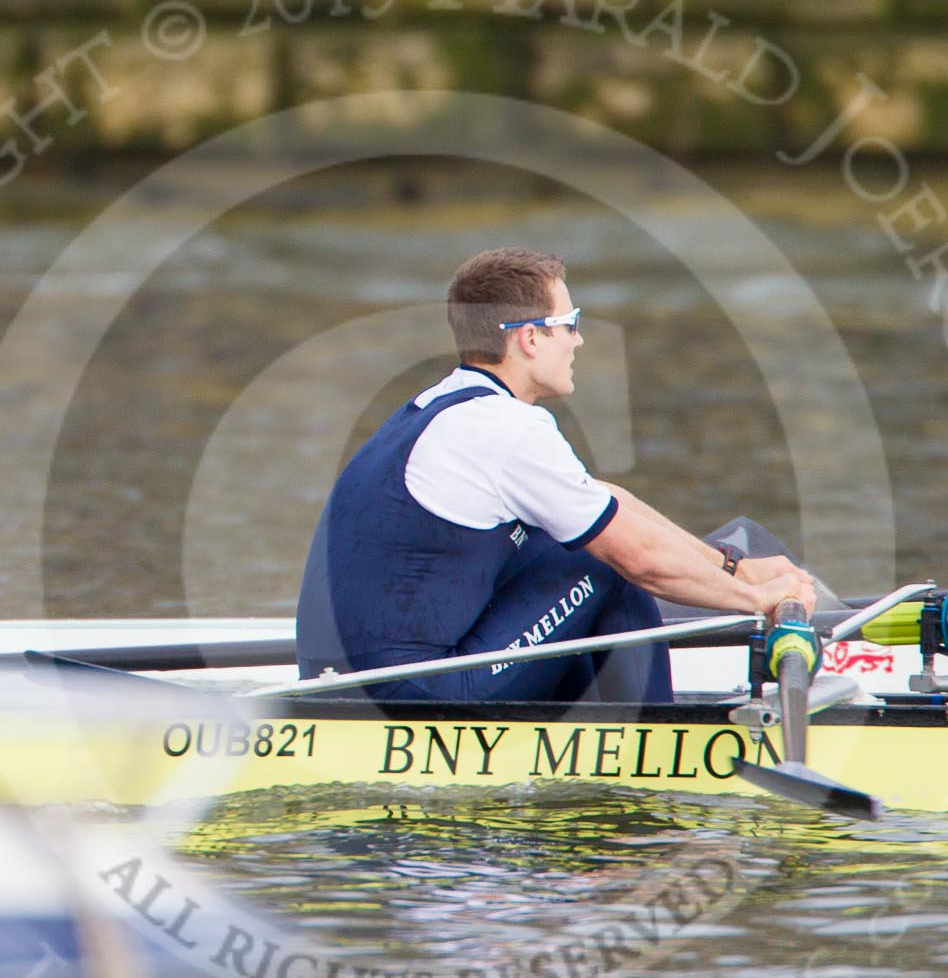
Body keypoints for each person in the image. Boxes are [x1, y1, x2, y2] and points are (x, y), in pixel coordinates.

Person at [294, 247, 814, 703]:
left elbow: (605, 500)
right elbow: (639, 558)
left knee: (580, 541)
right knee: (607, 566)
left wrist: (732, 567)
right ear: (529, 339)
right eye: (570, 323)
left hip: (358, 678)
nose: (579, 340)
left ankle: (609, 722)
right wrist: (756, 602)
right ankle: (647, 748)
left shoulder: (446, 405)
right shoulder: (507, 428)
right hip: (413, 692)